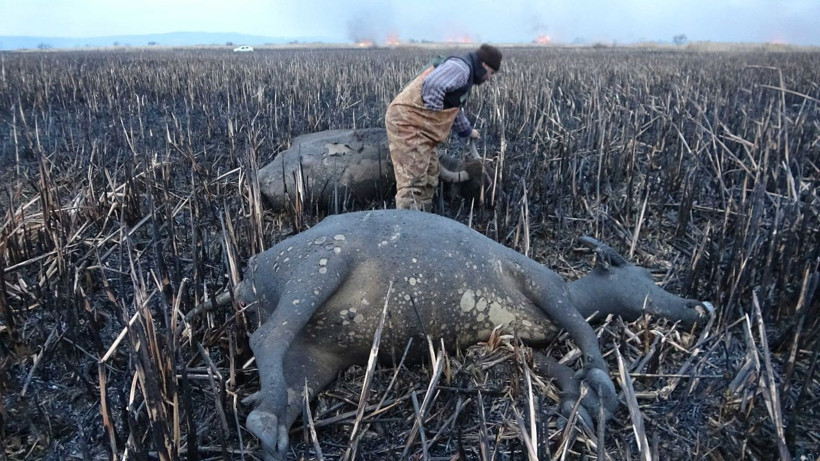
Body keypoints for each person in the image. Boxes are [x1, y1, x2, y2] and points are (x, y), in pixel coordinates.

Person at [385, 43, 502, 211]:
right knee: (414, 182)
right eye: (490, 73)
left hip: (418, 126)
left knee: (431, 175)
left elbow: (453, 108)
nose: (489, 78)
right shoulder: (461, 68)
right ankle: (408, 229)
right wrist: (433, 118)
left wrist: (467, 131)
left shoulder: (465, 75)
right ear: (484, 65)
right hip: (407, 123)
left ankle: (423, 218)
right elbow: (433, 86)